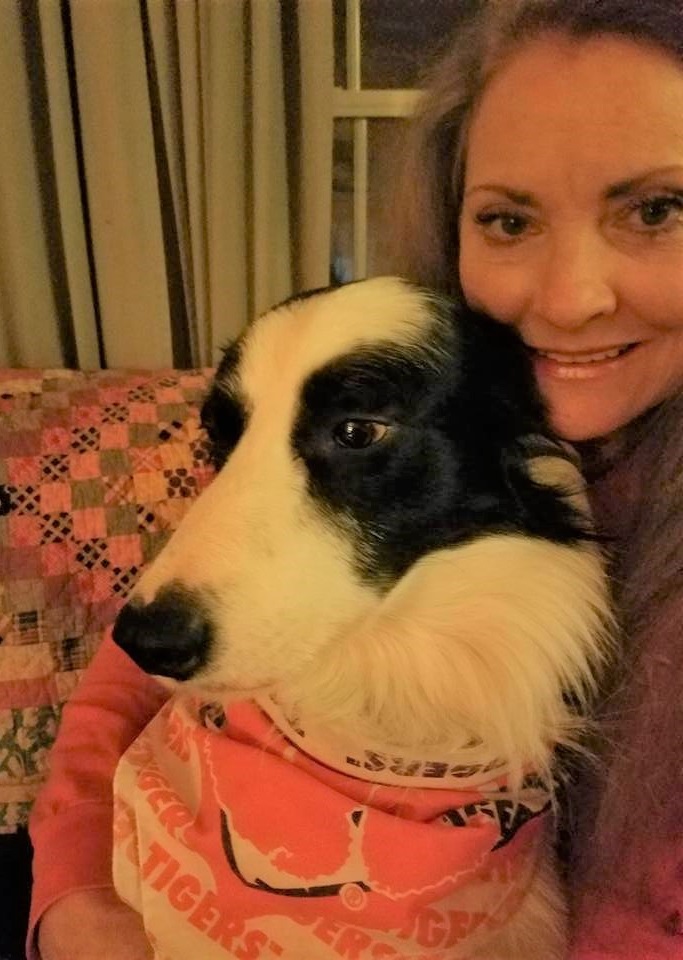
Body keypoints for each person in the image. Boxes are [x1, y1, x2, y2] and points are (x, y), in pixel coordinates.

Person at [29, 1, 683, 957]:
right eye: (508, 218)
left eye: (658, 209)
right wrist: (73, 890)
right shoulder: (451, 379)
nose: (567, 298)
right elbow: (146, 655)